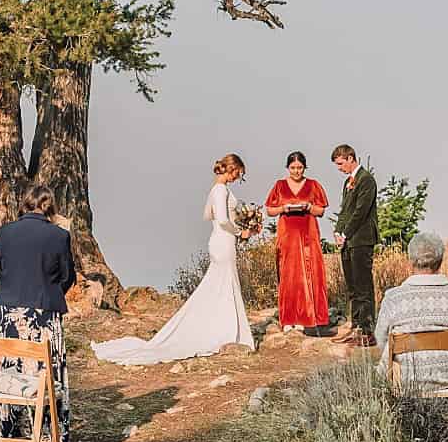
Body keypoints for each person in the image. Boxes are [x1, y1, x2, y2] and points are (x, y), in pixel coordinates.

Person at [93, 154, 257, 364]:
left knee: (219, 284)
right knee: (225, 283)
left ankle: (224, 328)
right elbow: (223, 220)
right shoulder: (221, 190)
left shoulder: (215, 190)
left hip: (218, 240)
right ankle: (226, 331)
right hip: (224, 241)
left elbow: (208, 215)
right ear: (231, 169)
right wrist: (240, 231)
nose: (237, 178)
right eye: (237, 174)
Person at [0, 181, 75, 442]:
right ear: (50, 207)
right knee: (46, 374)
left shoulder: (5, 233)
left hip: (6, 311)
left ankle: (5, 435)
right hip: (43, 313)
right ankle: (48, 438)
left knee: (7, 372)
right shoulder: (59, 236)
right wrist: (50, 291)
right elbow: (67, 276)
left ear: (24, 203)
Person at [375, 232, 448, 394]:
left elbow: (381, 339)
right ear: (440, 261)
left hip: (405, 379)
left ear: (411, 260)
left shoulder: (393, 297)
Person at [264, 151, 330, 332]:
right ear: (288, 168)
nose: (296, 171)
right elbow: (269, 209)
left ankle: (305, 318)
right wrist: (283, 208)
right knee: (288, 274)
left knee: (308, 273)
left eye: (299, 167)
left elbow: (321, 211)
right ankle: (288, 319)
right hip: (287, 234)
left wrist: (308, 207)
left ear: (304, 167)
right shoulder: (279, 185)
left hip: (308, 233)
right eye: (293, 168)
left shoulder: (313, 185)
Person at [331, 144, 379, 347]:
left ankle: (367, 331)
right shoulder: (347, 183)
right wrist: (337, 232)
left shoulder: (366, 180)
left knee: (363, 287)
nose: (339, 168)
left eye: (341, 164)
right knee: (352, 287)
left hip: (362, 239)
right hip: (348, 241)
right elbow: (345, 211)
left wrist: (345, 233)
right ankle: (356, 326)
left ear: (350, 158)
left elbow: (361, 211)